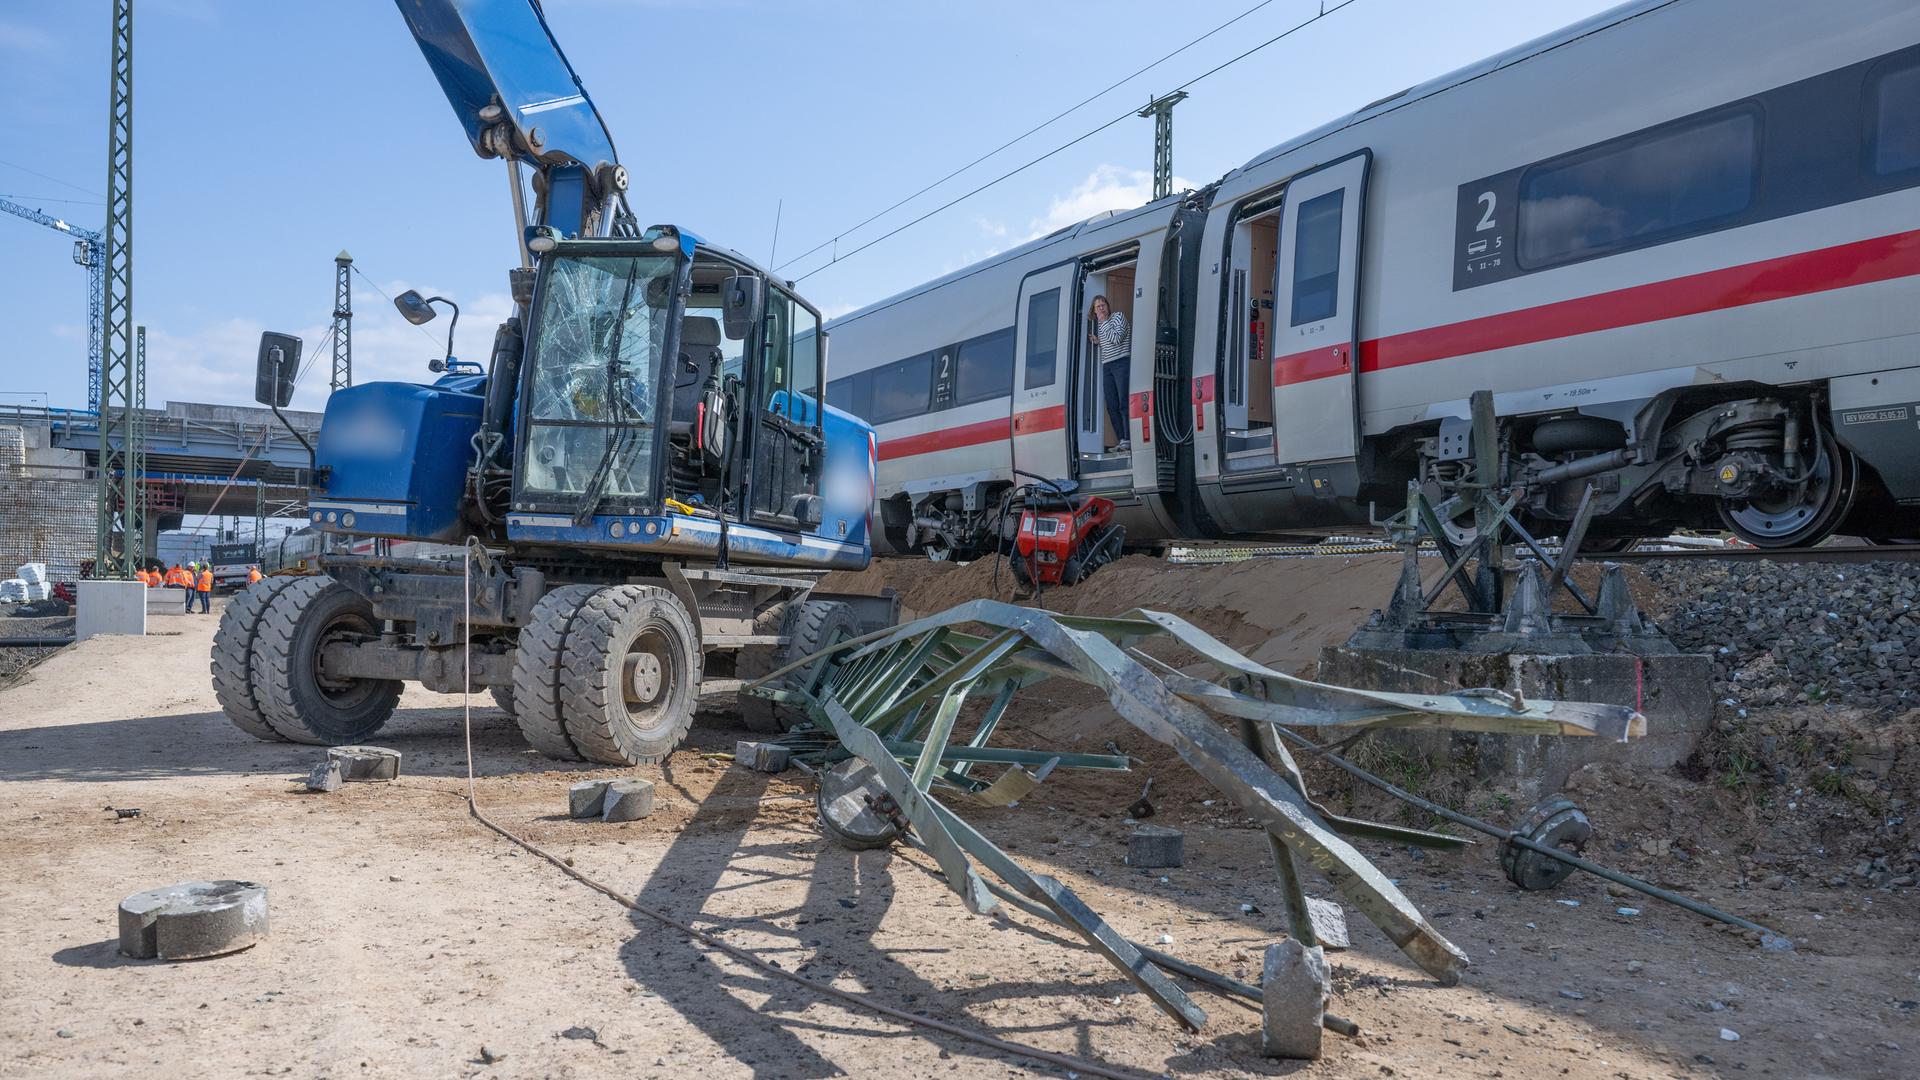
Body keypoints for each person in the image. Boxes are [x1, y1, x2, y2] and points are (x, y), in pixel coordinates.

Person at [1087, 295, 1131, 452]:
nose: (1100, 308)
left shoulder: (1117, 317)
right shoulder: (1101, 325)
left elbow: (1117, 339)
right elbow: (1108, 342)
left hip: (1121, 363)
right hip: (1107, 366)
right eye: (1097, 306)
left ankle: (1129, 438)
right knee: (1112, 405)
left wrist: (1104, 321)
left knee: (1123, 402)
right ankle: (1122, 440)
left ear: (1108, 305)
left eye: (1102, 304)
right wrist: (1099, 342)